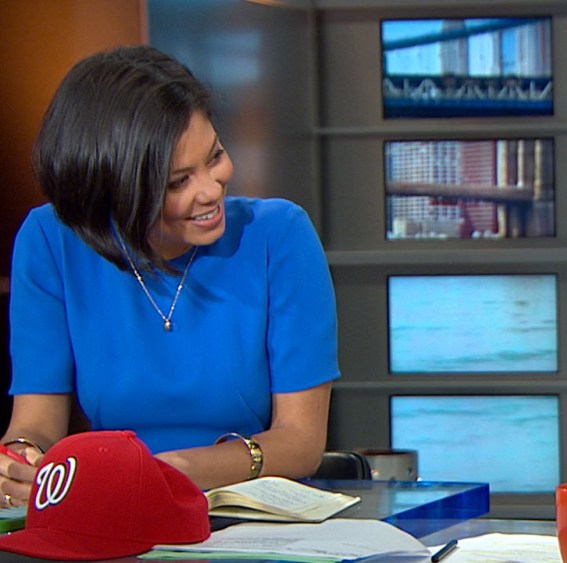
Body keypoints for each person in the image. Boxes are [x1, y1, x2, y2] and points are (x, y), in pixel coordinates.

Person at [0, 45, 339, 506]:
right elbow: (35, 423)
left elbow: (300, 442)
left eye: (215, 156)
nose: (211, 190)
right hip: (111, 505)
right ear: (114, 189)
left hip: (246, 509)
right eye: (178, 181)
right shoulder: (50, 240)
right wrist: (22, 459)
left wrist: (170, 471)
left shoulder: (279, 236)